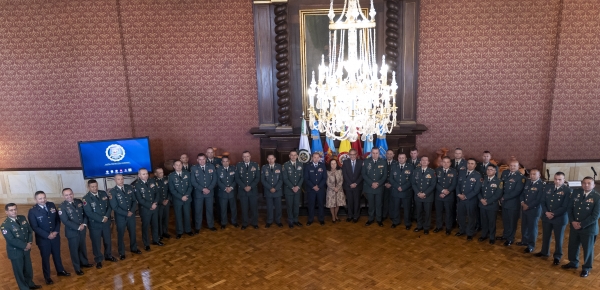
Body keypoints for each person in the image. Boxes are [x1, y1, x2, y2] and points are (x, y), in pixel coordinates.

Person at [28, 191, 70, 284]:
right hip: (43, 240)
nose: (43, 200)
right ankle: (47, 277)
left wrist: (56, 231)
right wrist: (47, 235)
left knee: (57, 255)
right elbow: (34, 227)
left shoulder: (51, 205)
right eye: (40, 198)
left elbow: (57, 220)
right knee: (45, 258)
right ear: (36, 200)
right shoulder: (32, 211)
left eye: (44, 197)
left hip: (55, 236)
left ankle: (60, 271)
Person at [562, 177, 600, 278]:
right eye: (584, 183)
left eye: (589, 183)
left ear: (593, 185)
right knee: (573, 245)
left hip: (588, 229)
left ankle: (586, 268)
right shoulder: (576, 193)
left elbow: (595, 216)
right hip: (574, 226)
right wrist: (573, 221)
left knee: (588, 249)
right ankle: (573, 262)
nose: (586, 185)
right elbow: (569, 208)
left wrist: (581, 224)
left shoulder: (597, 197)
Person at [1, 203, 42, 290]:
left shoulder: (22, 218)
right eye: (11, 210)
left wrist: (30, 242)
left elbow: (30, 231)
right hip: (16, 252)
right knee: (19, 271)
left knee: (28, 269)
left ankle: (30, 284)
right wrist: (25, 245)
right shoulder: (5, 225)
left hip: (26, 249)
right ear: (6, 212)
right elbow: (11, 240)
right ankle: (24, 288)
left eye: (15, 209)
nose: (14, 211)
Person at [535, 172, 572, 265]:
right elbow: (542, 201)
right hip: (547, 216)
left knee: (558, 238)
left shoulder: (568, 190)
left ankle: (557, 256)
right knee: (546, 235)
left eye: (559, 179)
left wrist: (553, 213)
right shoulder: (548, 187)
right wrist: (546, 212)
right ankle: (544, 252)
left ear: (564, 180)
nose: (557, 181)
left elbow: (565, 206)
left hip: (559, 218)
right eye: (555, 179)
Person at [82, 179, 117, 269]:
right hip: (95, 225)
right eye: (92, 187)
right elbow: (89, 213)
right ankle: (98, 260)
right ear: (88, 187)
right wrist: (102, 219)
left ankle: (108, 255)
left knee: (107, 241)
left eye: (96, 186)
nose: (95, 188)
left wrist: (106, 216)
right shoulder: (86, 199)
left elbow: (109, 206)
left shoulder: (103, 193)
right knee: (96, 243)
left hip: (106, 223)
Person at [58, 188, 93, 276]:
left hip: (82, 230)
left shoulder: (79, 202)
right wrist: (78, 227)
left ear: (73, 193)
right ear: (63, 196)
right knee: (74, 250)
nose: (69, 196)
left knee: (82, 247)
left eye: (70, 194)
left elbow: (85, 214)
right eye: (66, 195)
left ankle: (84, 262)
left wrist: (84, 224)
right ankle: (77, 268)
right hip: (72, 232)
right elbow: (65, 221)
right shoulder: (62, 207)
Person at [109, 174, 142, 259]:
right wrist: (126, 213)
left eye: (122, 179)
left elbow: (134, 201)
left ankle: (134, 248)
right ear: (115, 181)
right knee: (121, 235)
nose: (121, 181)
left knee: (133, 233)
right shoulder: (112, 192)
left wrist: (131, 211)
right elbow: (114, 207)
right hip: (120, 217)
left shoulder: (129, 188)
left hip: (131, 215)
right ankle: (121, 252)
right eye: (119, 179)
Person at [134, 169, 164, 250]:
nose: (146, 175)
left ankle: (156, 240)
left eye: (146, 173)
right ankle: (146, 244)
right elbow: (139, 199)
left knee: (155, 225)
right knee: (146, 227)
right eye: (143, 174)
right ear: (139, 175)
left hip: (154, 207)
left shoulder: (152, 181)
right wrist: (150, 205)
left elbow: (157, 193)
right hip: (145, 209)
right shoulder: (137, 185)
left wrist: (155, 203)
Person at [496, 160, 525, 246]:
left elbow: (517, 191)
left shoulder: (521, 177)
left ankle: (510, 238)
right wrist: (499, 196)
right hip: (504, 202)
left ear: (518, 166)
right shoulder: (505, 173)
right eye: (511, 165)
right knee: (505, 220)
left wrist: (504, 197)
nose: (512, 167)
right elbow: (501, 185)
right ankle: (505, 235)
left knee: (512, 222)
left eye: (514, 166)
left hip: (513, 203)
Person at [518, 169, 545, 253]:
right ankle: (524, 241)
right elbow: (522, 194)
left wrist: (528, 206)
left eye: (534, 174)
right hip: (524, 208)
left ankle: (531, 245)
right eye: (531, 174)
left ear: (539, 175)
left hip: (534, 210)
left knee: (532, 228)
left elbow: (538, 199)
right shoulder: (528, 182)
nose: (532, 175)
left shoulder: (541, 185)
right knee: (524, 226)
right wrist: (522, 203)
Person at [455, 158, 482, 240]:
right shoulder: (462, 173)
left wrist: (466, 197)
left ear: (475, 165)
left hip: (471, 200)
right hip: (460, 199)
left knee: (471, 217)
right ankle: (462, 230)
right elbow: (458, 185)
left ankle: (470, 233)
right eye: (469, 163)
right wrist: (459, 194)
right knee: (461, 216)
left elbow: (476, 190)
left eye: (472, 163)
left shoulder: (478, 175)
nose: (470, 165)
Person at [191, 153, 218, 232]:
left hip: (209, 192)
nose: (202, 161)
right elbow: (193, 181)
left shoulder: (211, 166)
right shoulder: (194, 168)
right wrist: (203, 189)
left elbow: (214, 179)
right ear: (197, 160)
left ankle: (211, 225)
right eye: (200, 159)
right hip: (199, 193)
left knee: (210, 209)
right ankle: (197, 227)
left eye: (203, 159)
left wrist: (208, 188)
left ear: (205, 159)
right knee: (198, 210)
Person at [362, 148, 388, 227]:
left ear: (379, 153)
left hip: (379, 187)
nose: (375, 155)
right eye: (373, 153)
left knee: (379, 204)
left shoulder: (383, 162)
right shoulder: (366, 162)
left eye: (376, 153)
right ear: (371, 153)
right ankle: (370, 219)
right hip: (369, 187)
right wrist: (371, 183)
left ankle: (379, 219)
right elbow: (364, 174)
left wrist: (378, 183)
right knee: (371, 204)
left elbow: (385, 175)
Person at [236, 151, 261, 230]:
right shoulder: (239, 165)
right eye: (244, 156)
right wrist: (244, 186)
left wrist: (250, 186)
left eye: (247, 156)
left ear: (250, 156)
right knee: (244, 208)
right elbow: (237, 178)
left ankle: (254, 223)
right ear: (242, 157)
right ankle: (245, 223)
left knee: (254, 208)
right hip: (243, 191)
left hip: (252, 190)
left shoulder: (255, 165)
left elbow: (257, 178)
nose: (246, 158)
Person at [169, 160, 194, 239]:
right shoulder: (171, 176)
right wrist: (180, 197)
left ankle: (188, 230)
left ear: (182, 165)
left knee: (187, 215)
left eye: (180, 165)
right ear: (174, 166)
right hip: (177, 200)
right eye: (177, 165)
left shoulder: (187, 173)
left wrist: (186, 195)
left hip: (187, 198)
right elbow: (172, 189)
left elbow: (190, 186)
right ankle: (179, 231)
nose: (179, 166)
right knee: (178, 216)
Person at [411, 156, 436, 234]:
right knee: (418, 212)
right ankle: (419, 226)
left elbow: (433, 185)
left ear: (428, 162)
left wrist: (424, 193)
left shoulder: (432, 172)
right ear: (420, 162)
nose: (424, 162)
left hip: (428, 196)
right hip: (418, 196)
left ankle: (426, 227)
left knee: (427, 213)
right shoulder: (415, 171)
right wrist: (418, 193)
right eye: (422, 160)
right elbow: (413, 183)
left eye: (426, 160)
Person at [478, 165, 502, 244]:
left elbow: (498, 194)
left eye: (491, 170)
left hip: (492, 205)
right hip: (482, 204)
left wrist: (487, 201)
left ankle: (492, 237)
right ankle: (484, 235)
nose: (489, 171)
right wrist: (481, 199)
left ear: (495, 172)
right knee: (484, 221)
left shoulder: (499, 181)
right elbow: (479, 191)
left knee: (492, 222)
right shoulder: (482, 179)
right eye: (488, 169)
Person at [389, 153, 414, 230]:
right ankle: (396, 221)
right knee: (395, 208)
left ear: (406, 159)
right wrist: (397, 187)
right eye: (399, 158)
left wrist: (403, 187)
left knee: (407, 209)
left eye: (403, 158)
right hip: (396, 191)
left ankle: (407, 223)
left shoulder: (410, 167)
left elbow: (412, 180)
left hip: (406, 192)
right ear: (397, 158)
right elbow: (391, 178)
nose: (401, 159)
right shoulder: (394, 166)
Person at [434, 156, 457, 235]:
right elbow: (435, 183)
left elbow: (454, 184)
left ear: (450, 163)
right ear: (441, 163)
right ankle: (439, 226)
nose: (445, 164)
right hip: (438, 195)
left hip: (449, 196)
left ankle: (448, 227)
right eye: (444, 162)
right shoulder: (437, 170)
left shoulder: (454, 172)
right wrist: (442, 191)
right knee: (438, 212)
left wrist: (447, 191)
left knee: (448, 212)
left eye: (447, 162)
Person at [282, 150, 304, 228]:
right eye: (292, 155)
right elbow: (285, 178)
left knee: (296, 205)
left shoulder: (300, 164)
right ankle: (290, 220)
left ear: (297, 156)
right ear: (289, 156)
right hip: (289, 190)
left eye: (295, 155)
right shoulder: (285, 165)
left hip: (297, 190)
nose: (293, 156)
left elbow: (302, 177)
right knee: (289, 206)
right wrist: (292, 187)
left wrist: (297, 187)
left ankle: (296, 220)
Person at [305, 152, 327, 226]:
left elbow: (324, 178)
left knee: (321, 204)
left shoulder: (323, 165)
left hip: (320, 190)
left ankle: (321, 219)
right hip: (311, 190)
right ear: (312, 158)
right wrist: (313, 186)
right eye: (314, 157)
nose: (316, 159)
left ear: (320, 158)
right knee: (311, 205)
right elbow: (306, 178)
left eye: (318, 157)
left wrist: (319, 186)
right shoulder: (308, 166)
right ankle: (310, 219)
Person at [342, 149, 363, 223]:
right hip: (348, 186)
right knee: (350, 201)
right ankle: (350, 215)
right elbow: (344, 174)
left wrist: (356, 183)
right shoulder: (345, 162)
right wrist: (350, 183)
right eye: (351, 155)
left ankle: (356, 216)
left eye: (354, 154)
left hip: (358, 186)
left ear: (356, 155)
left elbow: (362, 174)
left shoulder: (360, 162)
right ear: (349, 155)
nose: (352, 156)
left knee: (357, 201)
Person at [262, 154, 283, 228]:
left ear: (275, 159)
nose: (271, 160)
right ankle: (269, 221)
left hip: (277, 191)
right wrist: (270, 188)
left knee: (278, 207)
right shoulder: (264, 167)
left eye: (272, 158)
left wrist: (275, 188)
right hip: (268, 191)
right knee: (269, 207)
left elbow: (281, 179)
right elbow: (263, 180)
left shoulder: (279, 167)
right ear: (267, 159)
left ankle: (278, 220)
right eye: (269, 159)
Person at [216, 156, 238, 229]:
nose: (225, 163)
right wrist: (225, 188)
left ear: (229, 161)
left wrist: (231, 187)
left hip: (232, 192)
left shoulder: (233, 168)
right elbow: (218, 181)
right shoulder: (218, 170)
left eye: (226, 161)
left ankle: (234, 221)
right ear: (221, 162)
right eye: (223, 161)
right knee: (223, 208)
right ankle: (223, 222)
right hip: (223, 192)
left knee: (233, 208)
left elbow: (236, 180)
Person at [153, 167, 171, 239]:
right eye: (160, 173)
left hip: (166, 202)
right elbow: (154, 194)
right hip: (159, 203)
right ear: (155, 174)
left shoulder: (166, 179)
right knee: (159, 219)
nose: (162, 174)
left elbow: (170, 190)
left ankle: (165, 232)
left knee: (166, 218)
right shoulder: (153, 181)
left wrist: (167, 199)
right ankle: (159, 234)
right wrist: (161, 201)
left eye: (162, 172)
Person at [326, 158, 345, 223]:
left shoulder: (340, 171)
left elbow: (341, 180)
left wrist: (338, 187)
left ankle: (336, 215)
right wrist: (334, 188)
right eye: (332, 164)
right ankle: (333, 217)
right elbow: (327, 182)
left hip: (339, 190)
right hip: (331, 190)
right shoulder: (327, 172)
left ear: (337, 164)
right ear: (330, 165)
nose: (333, 165)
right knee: (332, 204)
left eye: (335, 163)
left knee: (337, 204)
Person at [382, 149, 397, 221]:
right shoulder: (382, 162)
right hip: (383, 185)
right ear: (385, 155)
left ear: (393, 155)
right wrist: (384, 183)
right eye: (388, 154)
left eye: (391, 154)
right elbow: (380, 175)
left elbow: (397, 176)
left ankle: (392, 215)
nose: (389, 155)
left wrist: (391, 184)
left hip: (393, 185)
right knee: (384, 200)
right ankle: (384, 214)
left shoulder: (396, 163)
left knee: (392, 201)